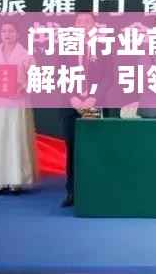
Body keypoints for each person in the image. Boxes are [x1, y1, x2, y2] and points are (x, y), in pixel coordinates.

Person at [0, 22, 37, 194]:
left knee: (15, 137)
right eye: (4, 31)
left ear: (18, 34)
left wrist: (22, 86)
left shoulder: (26, 55)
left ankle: (16, 180)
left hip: (17, 101)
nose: (7, 34)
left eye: (11, 31)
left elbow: (35, 77)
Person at [60, 13, 113, 207]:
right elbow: (58, 73)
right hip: (70, 105)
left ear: (95, 25)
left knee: (96, 147)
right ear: (74, 26)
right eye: (79, 22)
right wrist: (72, 98)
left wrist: (93, 98)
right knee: (73, 148)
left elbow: (109, 76)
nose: (83, 25)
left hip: (95, 104)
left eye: (88, 21)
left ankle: (97, 191)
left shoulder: (103, 46)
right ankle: (72, 192)